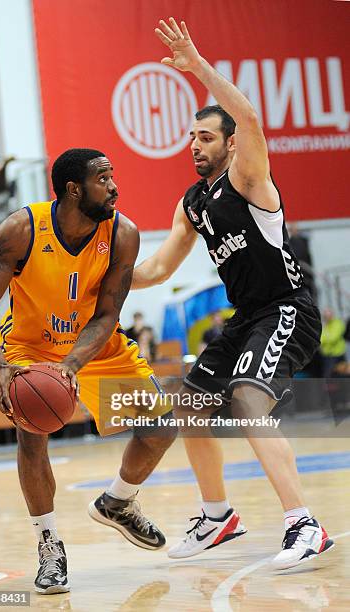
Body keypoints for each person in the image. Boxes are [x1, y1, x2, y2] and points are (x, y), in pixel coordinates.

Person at [132, 18, 333, 569]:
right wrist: (107, 277)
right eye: (192, 137)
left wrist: (195, 65)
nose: (194, 145)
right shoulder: (192, 202)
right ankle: (218, 517)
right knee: (192, 408)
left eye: (205, 136)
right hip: (247, 317)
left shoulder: (249, 176)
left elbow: (248, 116)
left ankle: (304, 524)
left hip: (288, 309)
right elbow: (156, 268)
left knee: (248, 401)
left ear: (229, 143)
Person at [0, 148, 175, 595]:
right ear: (73, 189)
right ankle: (49, 544)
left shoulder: (123, 234)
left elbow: (107, 314)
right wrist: (0, 366)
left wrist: (72, 364)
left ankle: (117, 502)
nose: (115, 186)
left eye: (113, 176)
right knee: (31, 435)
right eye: (104, 178)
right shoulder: (20, 229)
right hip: (27, 345)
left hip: (94, 344)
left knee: (162, 427)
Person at [320, 308, 346, 377]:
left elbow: (333, 338)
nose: (327, 317)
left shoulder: (338, 323)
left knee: (340, 375)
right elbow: (319, 338)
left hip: (337, 354)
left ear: (332, 315)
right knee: (328, 375)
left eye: (328, 315)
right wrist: (326, 337)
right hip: (327, 355)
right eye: (325, 315)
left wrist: (324, 338)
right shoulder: (324, 325)